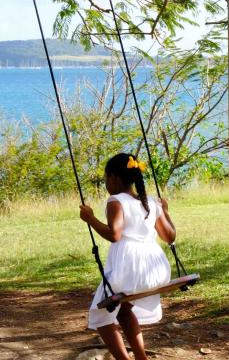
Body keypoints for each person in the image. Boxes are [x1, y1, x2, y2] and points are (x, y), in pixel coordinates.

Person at [79, 152, 177, 360]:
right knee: (123, 311)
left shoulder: (115, 201)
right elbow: (170, 236)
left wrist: (90, 218)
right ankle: (141, 358)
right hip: (156, 270)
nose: (106, 183)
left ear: (114, 178)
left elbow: (114, 235)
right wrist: (165, 211)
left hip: (131, 270)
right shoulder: (150, 202)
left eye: (106, 178)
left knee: (100, 316)